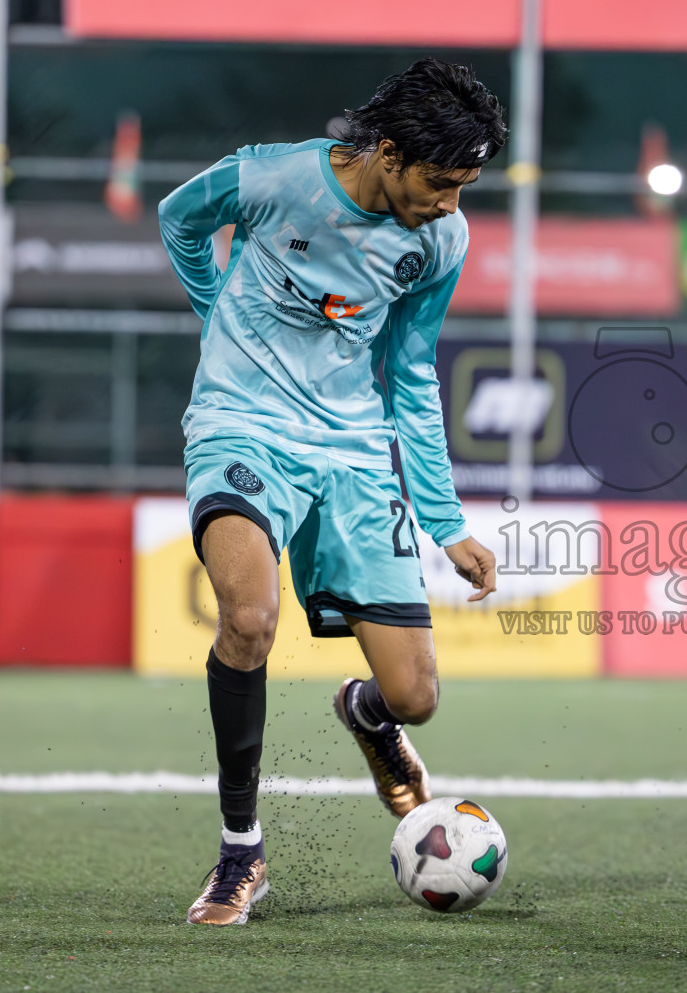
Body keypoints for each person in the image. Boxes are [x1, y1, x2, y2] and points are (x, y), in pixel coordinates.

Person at [158, 58, 505, 926]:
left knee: (416, 697)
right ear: (387, 153)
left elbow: (412, 371)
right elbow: (180, 222)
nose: (451, 205)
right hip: (240, 425)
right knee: (248, 616)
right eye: (440, 182)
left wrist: (445, 520)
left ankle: (367, 716)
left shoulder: (440, 241)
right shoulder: (273, 177)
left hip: (350, 450)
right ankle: (242, 853)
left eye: (467, 186)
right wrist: (216, 321)